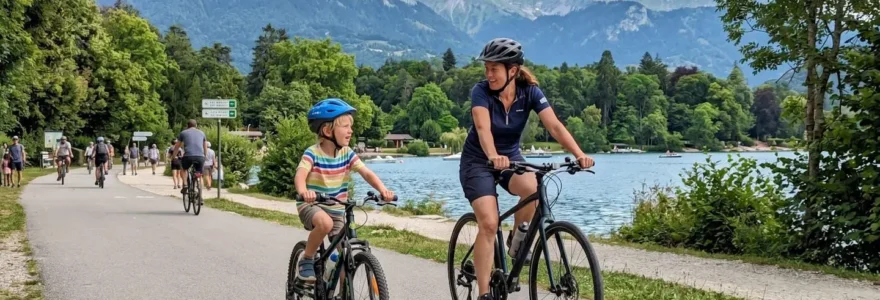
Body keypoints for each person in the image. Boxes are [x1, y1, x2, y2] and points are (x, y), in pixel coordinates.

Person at [459, 38, 595, 300]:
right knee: (489, 223)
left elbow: (554, 126)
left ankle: (516, 240)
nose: (488, 74)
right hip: (478, 161)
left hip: (511, 158)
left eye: (494, 69)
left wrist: (579, 155)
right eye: (486, 69)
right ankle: (484, 293)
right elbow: (482, 128)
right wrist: (493, 155)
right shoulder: (481, 92)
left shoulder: (530, 92)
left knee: (534, 188)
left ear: (512, 70)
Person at [294, 98, 395, 285]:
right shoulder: (312, 153)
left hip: (337, 209)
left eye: (351, 126)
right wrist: (303, 191)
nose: (351, 130)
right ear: (328, 130)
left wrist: (383, 190)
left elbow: (366, 172)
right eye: (346, 126)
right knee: (324, 223)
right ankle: (307, 258)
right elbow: (300, 175)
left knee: (343, 257)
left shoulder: (347, 153)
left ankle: (342, 292)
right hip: (312, 205)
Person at [172, 119, 208, 202]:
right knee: (199, 175)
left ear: (187, 126)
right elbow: (205, 146)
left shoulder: (183, 133)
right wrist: (205, 156)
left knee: (183, 168)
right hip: (200, 157)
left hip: (188, 156)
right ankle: (200, 196)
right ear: (196, 125)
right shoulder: (202, 133)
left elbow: (177, 146)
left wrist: (174, 156)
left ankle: (185, 184)